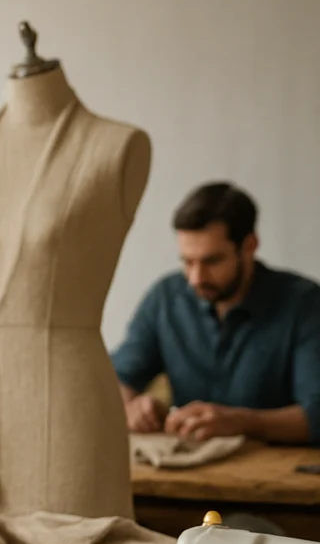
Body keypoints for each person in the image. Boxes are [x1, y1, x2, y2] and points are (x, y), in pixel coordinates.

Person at [113, 182, 320, 446]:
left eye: (212, 261)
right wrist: (133, 407)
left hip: (273, 474)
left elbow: (316, 414)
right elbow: (120, 378)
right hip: (187, 472)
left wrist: (241, 422)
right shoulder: (166, 298)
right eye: (187, 262)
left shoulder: (304, 303)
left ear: (249, 245)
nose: (196, 278)